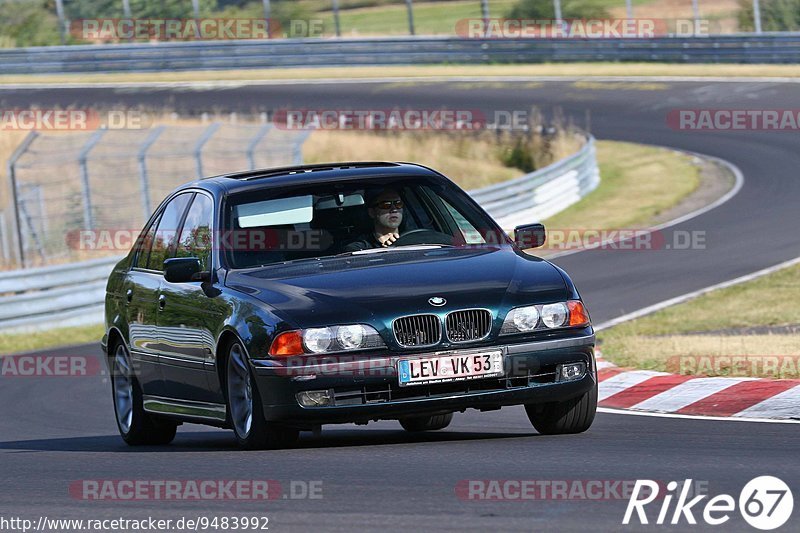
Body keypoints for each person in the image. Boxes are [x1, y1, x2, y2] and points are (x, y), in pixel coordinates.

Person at [343, 187, 404, 252]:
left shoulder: (414, 239)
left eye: (398, 204)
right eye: (386, 205)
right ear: (371, 212)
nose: (394, 210)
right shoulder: (360, 248)